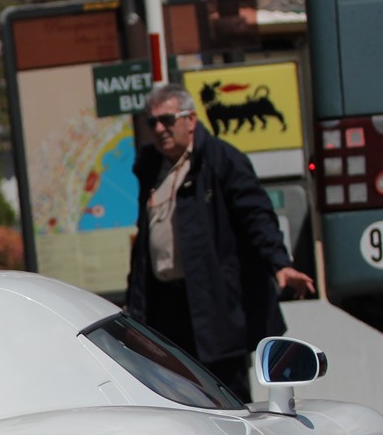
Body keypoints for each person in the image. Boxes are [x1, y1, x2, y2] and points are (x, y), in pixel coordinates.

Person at [125, 83, 315, 400]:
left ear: (191, 120)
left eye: (168, 120)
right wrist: (135, 302)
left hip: (214, 304)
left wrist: (279, 264)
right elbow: (144, 243)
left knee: (226, 396)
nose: (159, 129)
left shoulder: (222, 160)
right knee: (176, 397)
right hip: (166, 307)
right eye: (152, 123)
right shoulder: (150, 166)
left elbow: (257, 215)